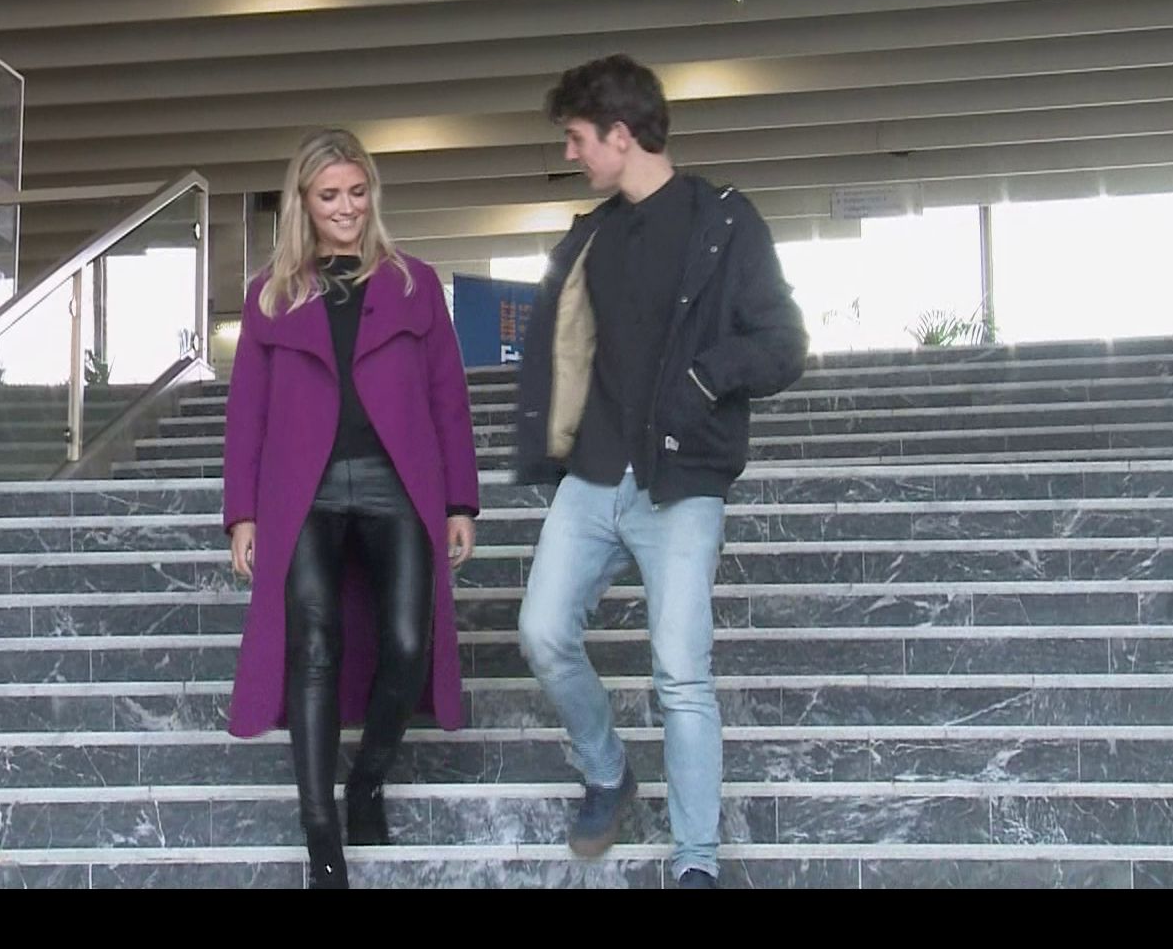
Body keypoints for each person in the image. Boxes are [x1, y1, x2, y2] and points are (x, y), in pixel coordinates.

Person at [514, 55, 809, 889]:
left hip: (680, 485)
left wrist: (707, 377)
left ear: (620, 134)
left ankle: (695, 861)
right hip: (592, 476)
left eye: (578, 138)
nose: (570, 153)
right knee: (541, 633)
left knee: (681, 674)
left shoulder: (724, 221)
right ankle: (607, 771)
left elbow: (784, 342)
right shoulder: (589, 236)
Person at [223, 128, 482, 889]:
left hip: (396, 484)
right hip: (299, 492)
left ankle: (367, 778)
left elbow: (448, 396)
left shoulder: (415, 284)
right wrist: (243, 514)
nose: (346, 208)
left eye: (358, 192)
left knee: (408, 640)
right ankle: (321, 839)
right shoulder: (271, 293)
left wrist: (460, 501)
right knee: (312, 648)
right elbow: (247, 412)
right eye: (329, 195)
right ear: (304, 202)